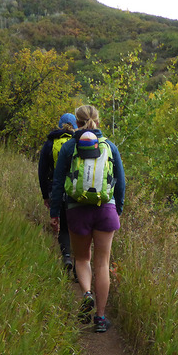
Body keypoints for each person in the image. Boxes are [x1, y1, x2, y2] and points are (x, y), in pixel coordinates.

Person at [49, 105, 125, 333]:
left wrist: (54, 213)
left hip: (76, 209)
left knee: (82, 259)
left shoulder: (69, 147)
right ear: (98, 121)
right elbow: (120, 183)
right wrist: (117, 209)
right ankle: (100, 319)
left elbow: (58, 181)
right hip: (105, 209)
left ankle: (86, 294)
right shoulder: (110, 146)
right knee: (102, 264)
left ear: (77, 123)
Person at [38, 112, 77, 277]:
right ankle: (79, 267)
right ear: (75, 125)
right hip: (76, 190)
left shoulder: (50, 143)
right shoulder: (78, 142)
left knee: (64, 228)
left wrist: (46, 195)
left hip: (57, 189)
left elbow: (42, 171)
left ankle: (66, 257)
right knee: (76, 228)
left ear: (60, 124)